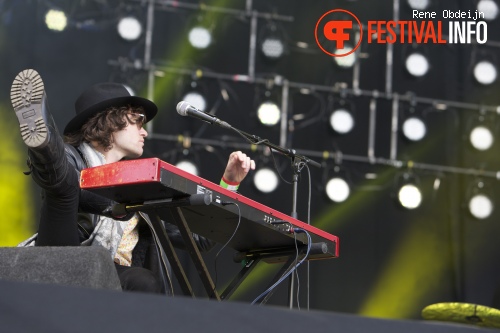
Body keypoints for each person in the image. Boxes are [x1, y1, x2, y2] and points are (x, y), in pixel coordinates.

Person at [11, 68, 255, 294]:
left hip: (110, 278)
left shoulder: (142, 183)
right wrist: (118, 204)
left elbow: (200, 239)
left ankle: (44, 146)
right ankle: (43, 145)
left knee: (143, 280)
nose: (145, 131)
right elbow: (70, 184)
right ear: (110, 120)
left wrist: (228, 184)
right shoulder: (72, 157)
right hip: (59, 259)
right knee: (63, 183)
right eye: (137, 120)